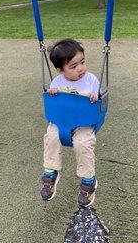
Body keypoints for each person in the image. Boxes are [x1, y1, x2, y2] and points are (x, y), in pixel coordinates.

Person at [40, 39, 99, 207]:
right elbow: (54, 99)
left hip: (83, 123)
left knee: (83, 144)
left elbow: (97, 97)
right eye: (73, 66)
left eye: (82, 62)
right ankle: (50, 172)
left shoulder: (91, 80)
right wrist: (52, 92)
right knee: (51, 136)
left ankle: (89, 179)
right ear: (60, 70)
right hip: (62, 120)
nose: (80, 68)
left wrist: (94, 97)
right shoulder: (57, 82)